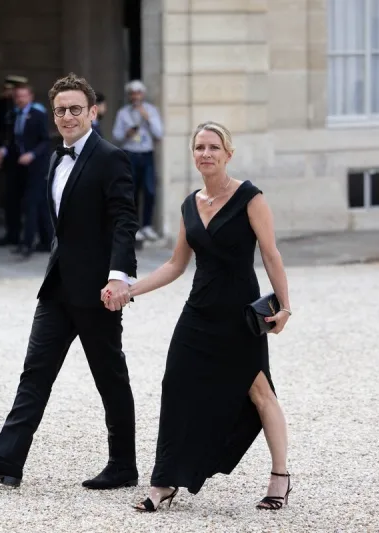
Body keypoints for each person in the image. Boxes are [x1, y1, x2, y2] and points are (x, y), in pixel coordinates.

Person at [0, 72, 141, 489]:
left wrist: (118, 278)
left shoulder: (111, 158)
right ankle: (7, 459)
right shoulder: (57, 158)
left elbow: (124, 221)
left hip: (98, 290)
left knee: (110, 377)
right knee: (34, 373)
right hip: (57, 286)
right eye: (61, 110)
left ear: (92, 112)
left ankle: (123, 466)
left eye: (76, 109)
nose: (68, 116)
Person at [111, 121, 293, 512]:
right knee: (175, 386)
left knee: (259, 392)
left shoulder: (250, 198)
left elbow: (271, 254)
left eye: (213, 147)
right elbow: (177, 265)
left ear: (228, 153)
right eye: (199, 147)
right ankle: (164, 482)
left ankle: (280, 477)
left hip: (240, 314)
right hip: (198, 312)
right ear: (193, 155)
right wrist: (130, 290)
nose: (206, 154)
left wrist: (285, 306)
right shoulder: (189, 204)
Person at [0, 82, 52, 257]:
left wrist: (32, 154)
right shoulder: (13, 115)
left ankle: (28, 242)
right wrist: (2, 152)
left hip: (36, 165)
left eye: (23, 96)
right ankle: (17, 235)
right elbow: (11, 140)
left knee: (31, 203)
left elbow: (45, 141)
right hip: (16, 165)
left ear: (30, 97)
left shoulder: (38, 115)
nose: (20, 100)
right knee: (13, 200)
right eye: (17, 96)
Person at [111, 80, 163, 243]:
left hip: (146, 154)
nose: (136, 97)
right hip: (130, 154)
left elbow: (159, 133)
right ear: (129, 96)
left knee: (149, 190)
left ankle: (147, 225)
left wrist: (147, 117)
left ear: (143, 95)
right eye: (133, 94)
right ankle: (134, 227)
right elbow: (116, 136)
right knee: (131, 191)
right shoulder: (123, 113)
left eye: (138, 93)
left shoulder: (151, 111)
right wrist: (126, 133)